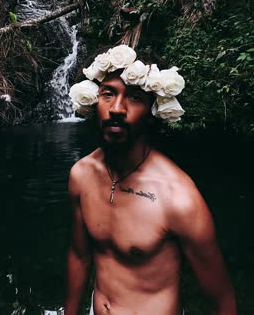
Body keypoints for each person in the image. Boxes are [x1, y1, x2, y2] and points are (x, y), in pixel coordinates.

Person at [65, 45, 237, 315]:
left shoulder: (177, 198)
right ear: (93, 101)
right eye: (108, 94)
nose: (117, 109)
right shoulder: (81, 174)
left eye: (134, 98)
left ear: (152, 110)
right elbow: (79, 256)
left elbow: (222, 301)